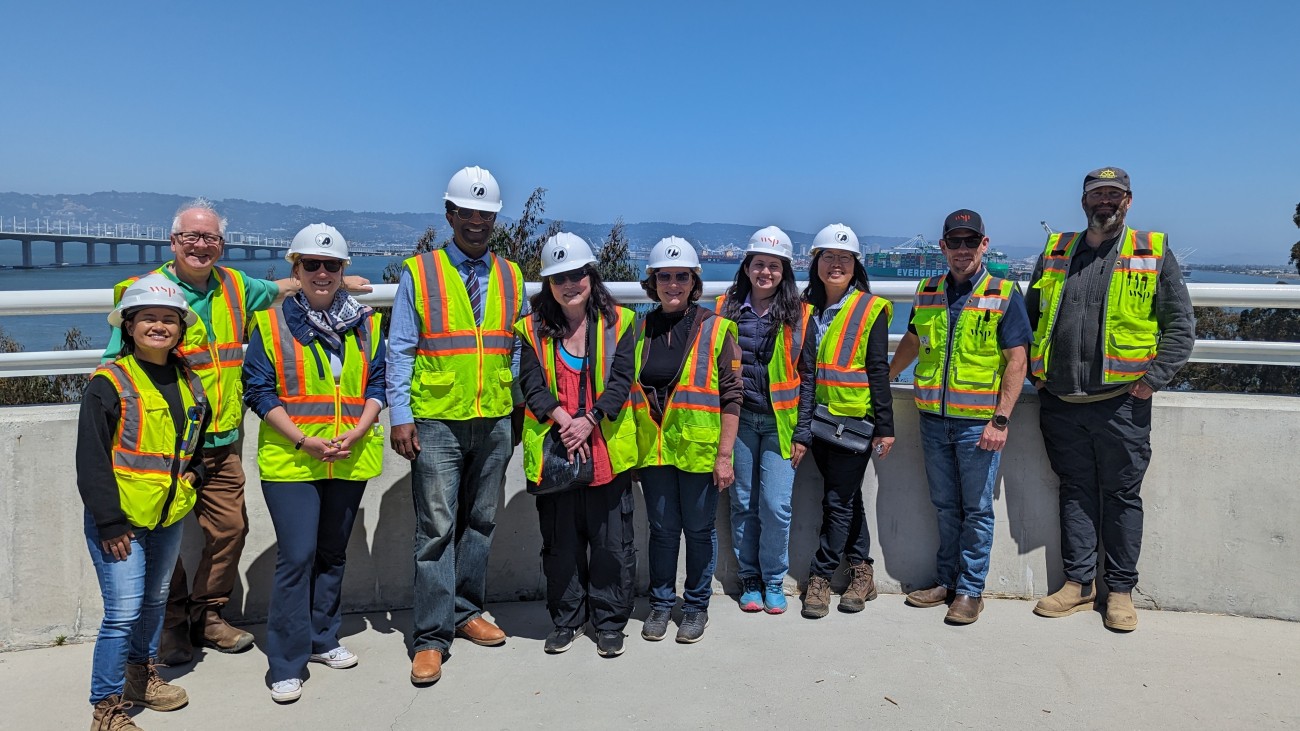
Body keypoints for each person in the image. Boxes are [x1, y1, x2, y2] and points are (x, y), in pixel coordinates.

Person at [104, 199, 371, 665]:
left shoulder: (234, 284)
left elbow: (287, 285)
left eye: (210, 238)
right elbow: (116, 364)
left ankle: (207, 616)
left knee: (229, 529)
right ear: (173, 242)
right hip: (162, 442)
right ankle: (172, 626)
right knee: (158, 534)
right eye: (191, 237)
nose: (201, 246)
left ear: (222, 246)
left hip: (220, 439)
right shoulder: (144, 291)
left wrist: (336, 278)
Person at [1027, 167, 1194, 632]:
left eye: (1113, 194)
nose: (1105, 201)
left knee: (1121, 495)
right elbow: (1029, 318)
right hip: (1061, 400)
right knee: (1075, 491)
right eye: (1097, 194)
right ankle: (1079, 586)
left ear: (1129, 201)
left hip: (1122, 402)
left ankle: (1119, 591)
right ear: (1084, 201)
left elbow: (1181, 326)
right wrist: (1039, 379)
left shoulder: (1153, 253)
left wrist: (1151, 380)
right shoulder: (1056, 251)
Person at [387, 166, 526, 685]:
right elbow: (399, 347)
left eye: (485, 214)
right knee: (436, 529)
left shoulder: (511, 276)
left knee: (482, 522)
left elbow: (516, 348)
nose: (476, 222)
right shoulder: (419, 272)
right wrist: (401, 414)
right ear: (450, 215)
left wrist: (516, 408)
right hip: (438, 418)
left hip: (494, 417)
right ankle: (430, 637)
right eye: (467, 212)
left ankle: (467, 612)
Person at [242, 225, 386, 702]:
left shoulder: (367, 323)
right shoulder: (271, 323)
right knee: (297, 557)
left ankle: (324, 638)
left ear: (344, 271)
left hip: (348, 455)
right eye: (311, 264)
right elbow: (259, 391)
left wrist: (361, 428)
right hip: (293, 460)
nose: (321, 273)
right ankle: (286, 661)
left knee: (332, 553)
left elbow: (378, 382)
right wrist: (304, 440)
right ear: (295, 270)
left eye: (331, 265)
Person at [77, 275, 210, 730]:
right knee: (122, 614)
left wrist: (199, 472)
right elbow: (91, 460)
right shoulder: (109, 382)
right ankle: (106, 708)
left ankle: (141, 676)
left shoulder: (188, 380)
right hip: (122, 524)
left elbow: (194, 440)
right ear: (129, 326)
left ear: (181, 328)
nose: (159, 326)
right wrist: (110, 523)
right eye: (148, 318)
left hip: (167, 516)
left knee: (154, 602)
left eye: (168, 319)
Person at [889, 210, 1031, 625]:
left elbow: (1017, 361)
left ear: (984, 245)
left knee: (976, 509)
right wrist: (885, 377)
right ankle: (946, 582)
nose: (963, 250)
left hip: (978, 424)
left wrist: (1000, 420)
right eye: (956, 242)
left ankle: (970, 590)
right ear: (943, 247)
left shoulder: (1003, 293)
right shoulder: (928, 289)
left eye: (972, 242)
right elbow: (915, 340)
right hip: (932, 417)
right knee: (945, 506)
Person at [515, 233, 639, 658]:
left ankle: (608, 623)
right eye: (559, 278)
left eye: (577, 275)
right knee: (561, 545)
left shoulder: (620, 322)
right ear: (548, 285)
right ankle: (567, 620)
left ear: (592, 276)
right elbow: (530, 383)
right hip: (556, 451)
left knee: (610, 545)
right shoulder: (531, 328)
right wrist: (564, 419)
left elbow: (622, 380)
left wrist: (589, 420)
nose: (570, 285)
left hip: (605, 450)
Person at [633, 236, 742, 644]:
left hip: (700, 451)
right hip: (655, 450)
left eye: (682, 277)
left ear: (694, 281)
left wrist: (725, 455)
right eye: (665, 277)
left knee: (698, 530)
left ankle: (696, 606)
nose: (673, 284)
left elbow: (733, 397)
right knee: (662, 530)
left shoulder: (717, 329)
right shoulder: (640, 327)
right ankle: (661, 604)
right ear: (653, 282)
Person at [715, 226, 815, 615]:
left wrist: (803, 431)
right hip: (738, 422)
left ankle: (775, 578)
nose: (765, 273)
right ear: (747, 267)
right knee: (742, 503)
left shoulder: (799, 314)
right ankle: (750, 580)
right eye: (759, 264)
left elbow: (808, 376)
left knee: (775, 505)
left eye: (774, 266)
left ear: (785, 271)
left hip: (780, 425)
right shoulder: (726, 307)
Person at [800, 223, 894, 619]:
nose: (835, 264)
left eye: (844, 258)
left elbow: (877, 368)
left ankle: (820, 578)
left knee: (836, 502)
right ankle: (862, 571)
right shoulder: (805, 307)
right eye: (828, 257)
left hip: (853, 423)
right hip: (814, 420)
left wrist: (886, 427)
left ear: (855, 265)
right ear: (816, 263)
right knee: (848, 499)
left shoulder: (870, 308)